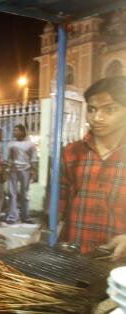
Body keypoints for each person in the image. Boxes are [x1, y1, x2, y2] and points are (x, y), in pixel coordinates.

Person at [58, 76, 126, 261]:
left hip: (118, 261)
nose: (97, 118)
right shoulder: (71, 153)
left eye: (109, 109)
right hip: (73, 252)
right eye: (92, 109)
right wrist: (42, 233)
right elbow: (59, 203)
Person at [5, 124, 37, 225]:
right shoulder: (11, 144)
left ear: (23, 132)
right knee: (12, 194)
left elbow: (34, 159)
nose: (14, 132)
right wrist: (5, 169)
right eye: (14, 130)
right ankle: (12, 217)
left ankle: (25, 216)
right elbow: (7, 158)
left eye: (17, 130)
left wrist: (35, 172)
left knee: (24, 194)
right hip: (13, 170)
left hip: (25, 170)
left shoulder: (30, 145)